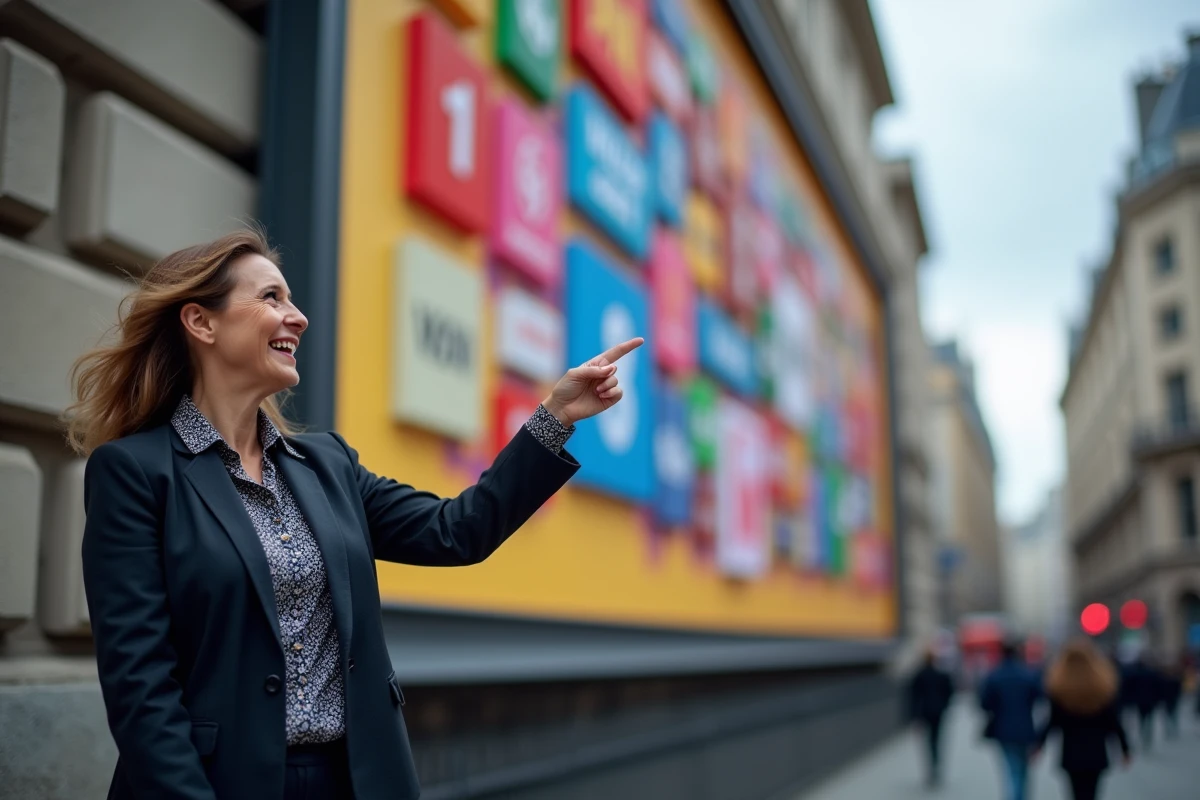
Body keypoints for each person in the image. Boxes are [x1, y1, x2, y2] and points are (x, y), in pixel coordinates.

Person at [69, 229, 644, 800]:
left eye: (291, 299)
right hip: (218, 784)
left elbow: (458, 532)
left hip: (355, 780)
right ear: (202, 323)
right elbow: (140, 688)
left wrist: (553, 418)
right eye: (271, 298)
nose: (298, 316)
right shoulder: (136, 473)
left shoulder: (327, 464)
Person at [1034, 639, 1131, 800]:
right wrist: (1125, 749)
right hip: (1097, 752)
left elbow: (1052, 722)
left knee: (1075, 794)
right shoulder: (1102, 688)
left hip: (1071, 753)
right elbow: (1114, 723)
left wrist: (1039, 744)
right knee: (1092, 793)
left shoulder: (1060, 689)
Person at [979, 639, 1042, 800]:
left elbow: (985, 703)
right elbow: (1038, 697)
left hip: (1003, 729)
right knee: (1023, 769)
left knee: (1011, 768)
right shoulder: (1027, 674)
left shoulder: (995, 675)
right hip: (1025, 728)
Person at [907, 647, 956, 787]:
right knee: (937, 739)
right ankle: (936, 766)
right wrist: (945, 706)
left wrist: (914, 716)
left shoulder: (919, 675)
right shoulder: (941, 674)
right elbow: (949, 693)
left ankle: (931, 768)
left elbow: (913, 697)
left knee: (928, 742)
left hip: (924, 713)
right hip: (938, 712)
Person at [1122, 651, 1162, 749]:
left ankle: (1143, 734)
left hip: (1140, 700)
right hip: (1150, 700)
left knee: (1141, 718)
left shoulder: (1135, 674)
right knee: (1149, 718)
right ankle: (1147, 736)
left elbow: (1129, 688)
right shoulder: (1153, 674)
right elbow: (1158, 688)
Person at [1160, 656, 1184, 740]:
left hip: (1171, 699)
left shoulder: (1169, 679)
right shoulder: (1173, 679)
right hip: (1170, 699)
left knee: (1171, 714)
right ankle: (1171, 730)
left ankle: (1171, 730)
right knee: (1171, 714)